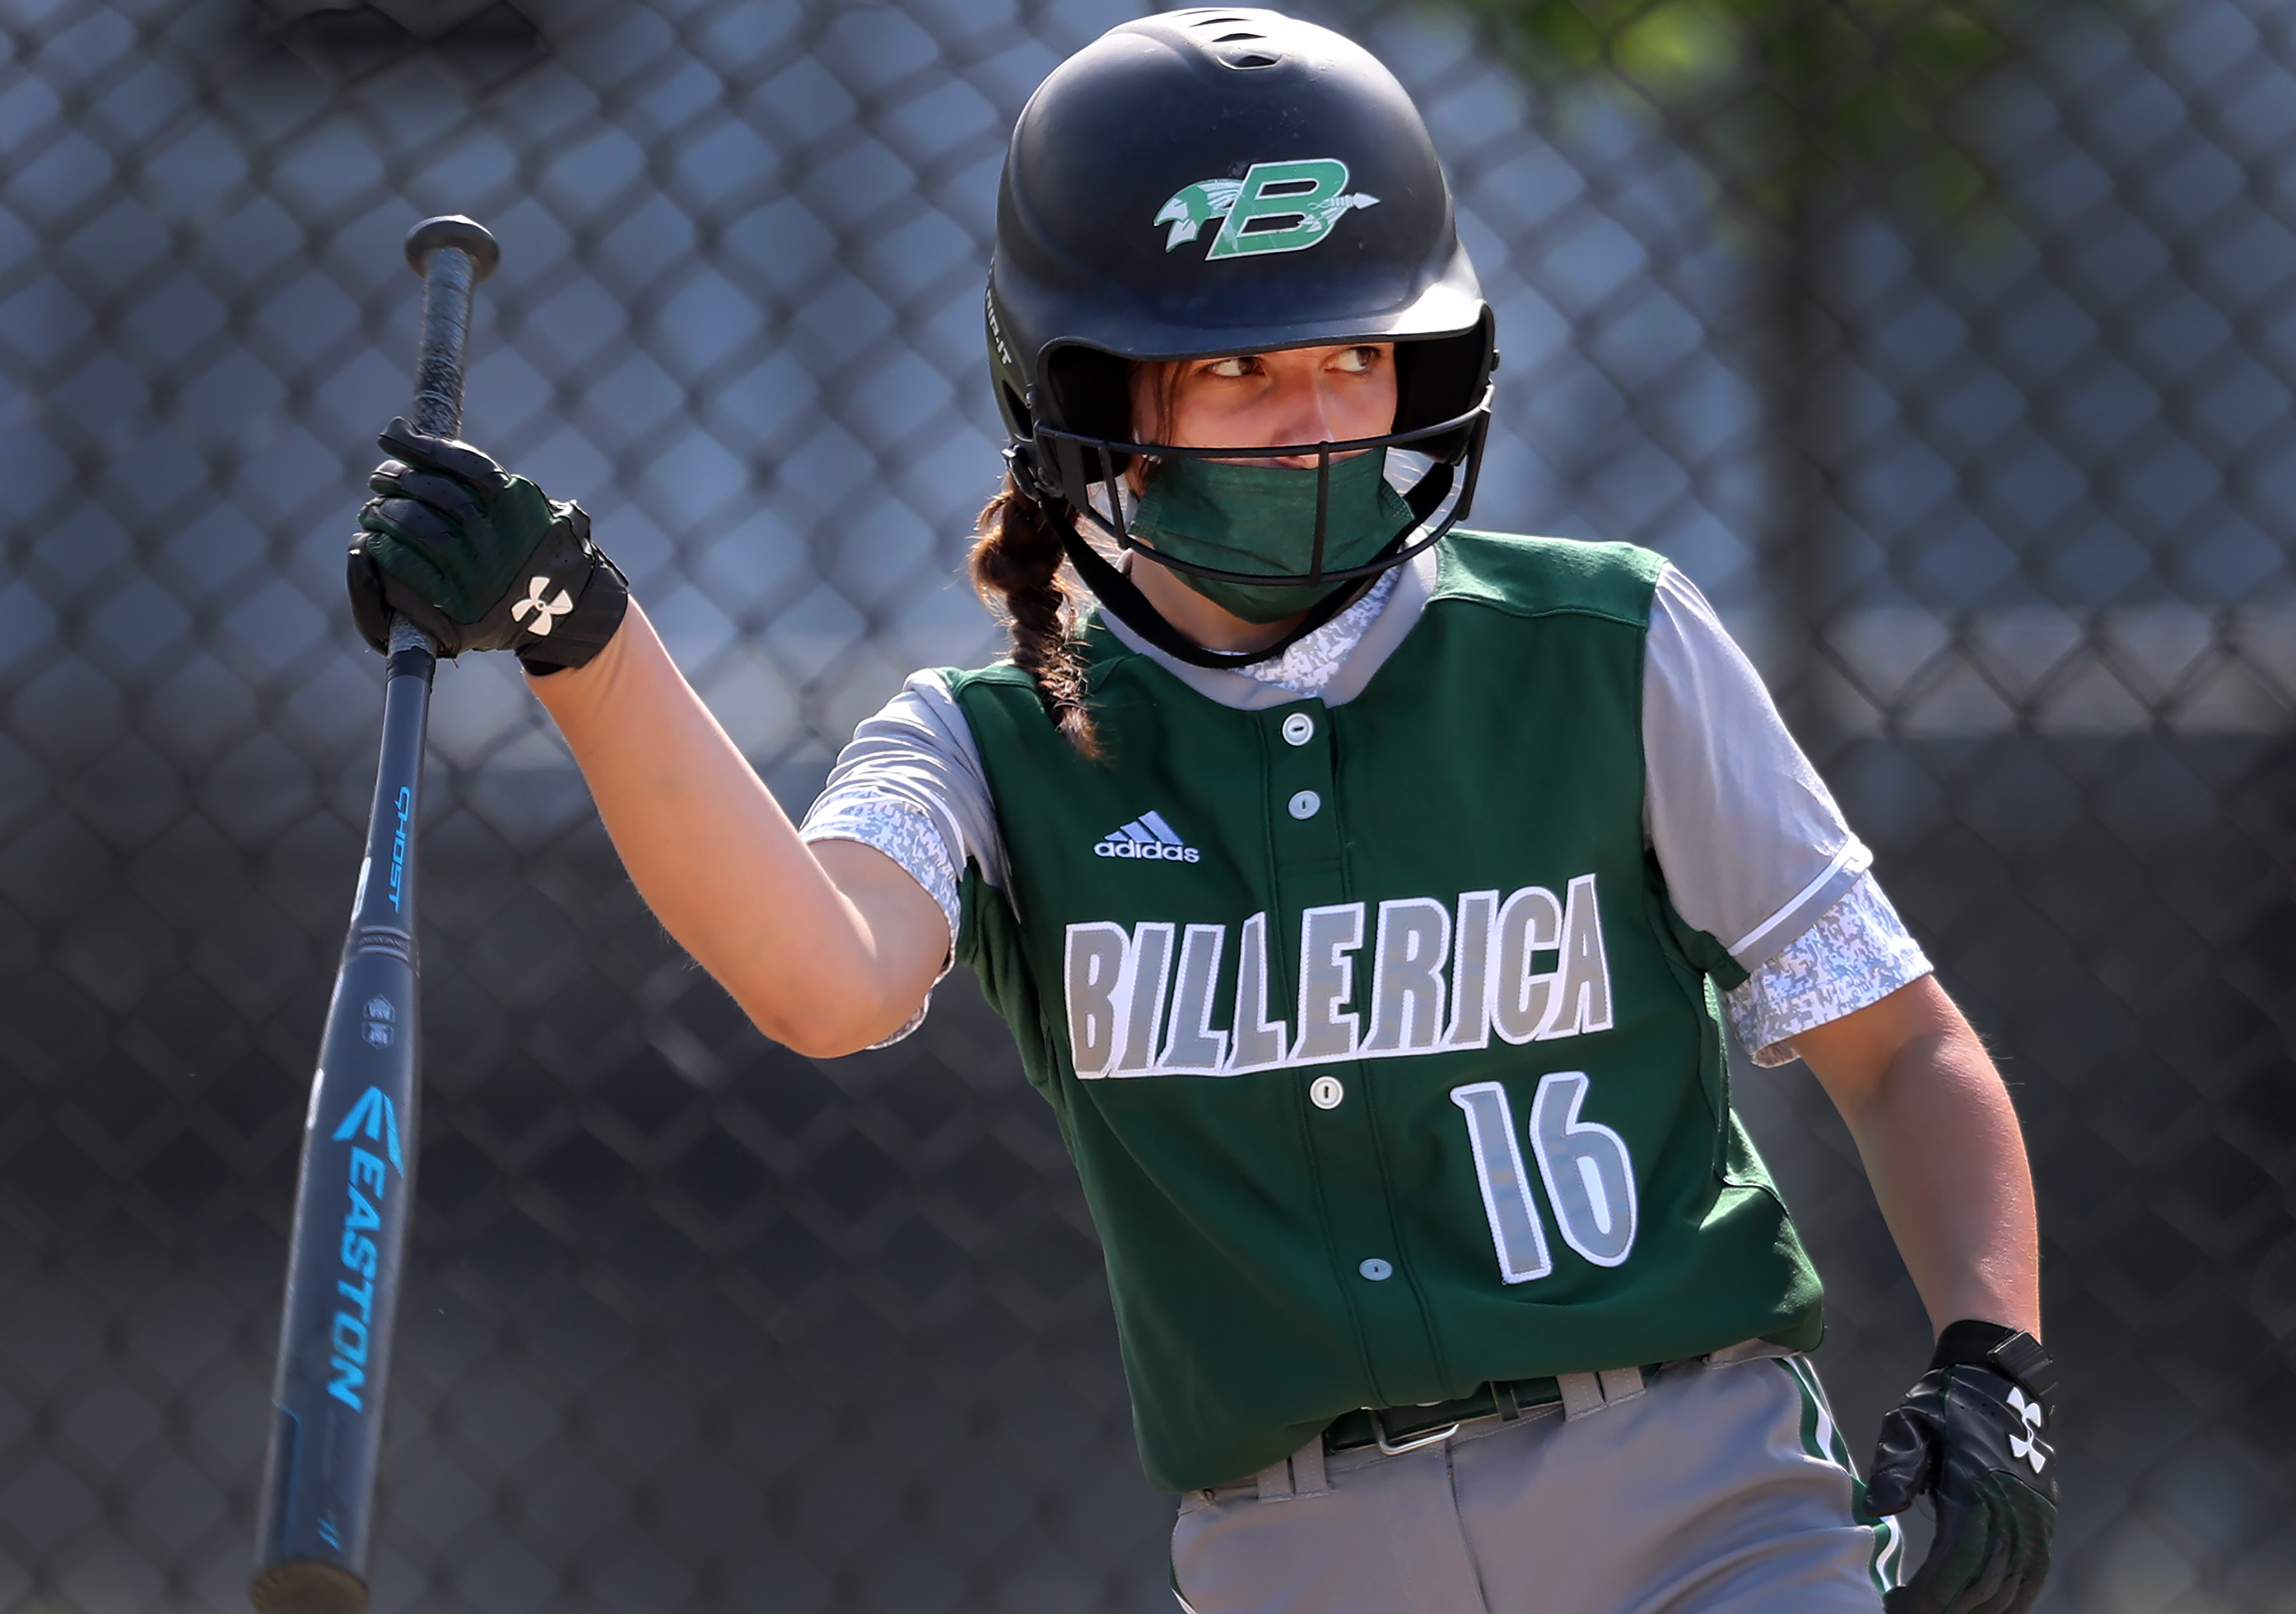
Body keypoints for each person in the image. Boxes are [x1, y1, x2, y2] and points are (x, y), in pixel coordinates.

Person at [345, 12, 2058, 1611]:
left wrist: (1992, 1364)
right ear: (1091, 408)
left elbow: (1899, 1049)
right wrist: (576, 630)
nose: (1318, 424)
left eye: (1352, 353)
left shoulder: (1602, 648)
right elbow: (822, 971)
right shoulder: (994, 741)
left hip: (1701, 1503)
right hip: (1293, 1557)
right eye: (1238, 374)